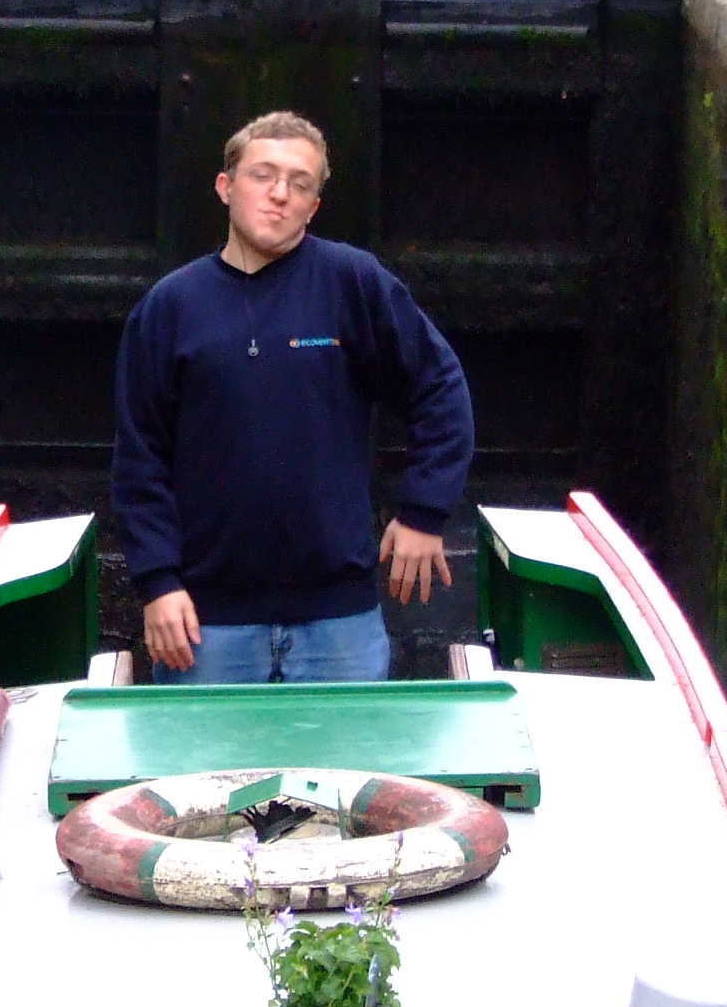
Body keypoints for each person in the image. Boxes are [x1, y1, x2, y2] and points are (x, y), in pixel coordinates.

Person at [112, 110, 474, 683]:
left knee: (345, 774)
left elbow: (440, 389)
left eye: (300, 184)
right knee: (208, 776)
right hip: (207, 626)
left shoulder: (355, 283)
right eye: (263, 175)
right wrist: (157, 582)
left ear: (314, 206)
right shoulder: (169, 307)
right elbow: (140, 459)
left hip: (341, 624)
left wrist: (423, 513)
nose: (280, 193)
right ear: (225, 187)